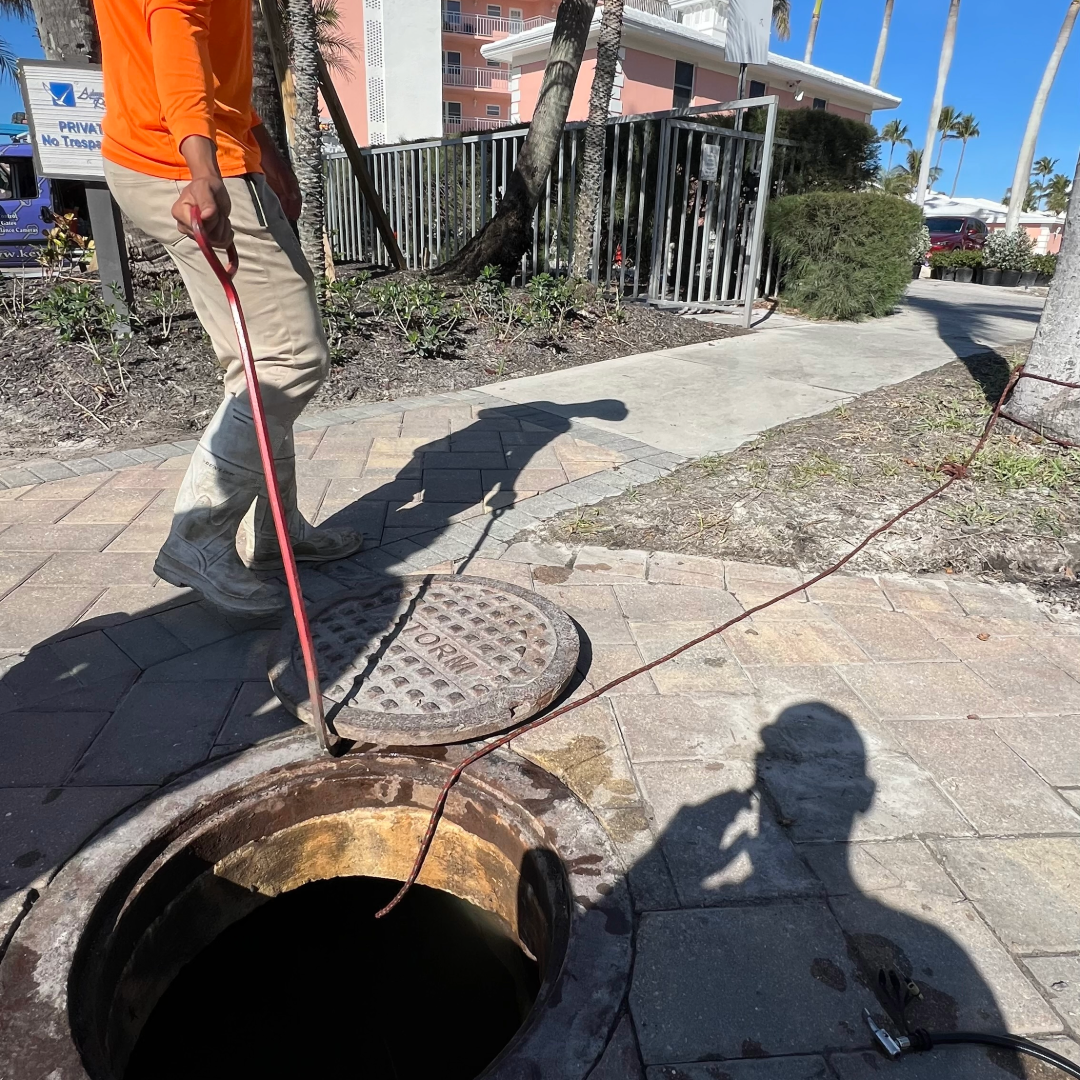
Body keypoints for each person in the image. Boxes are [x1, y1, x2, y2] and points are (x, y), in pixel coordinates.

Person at [92, 0, 362, 617]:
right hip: (183, 161)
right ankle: (199, 537)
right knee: (290, 356)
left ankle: (276, 533)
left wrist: (262, 145)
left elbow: (215, 64)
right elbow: (175, 32)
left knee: (257, 362)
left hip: (181, 153)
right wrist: (204, 166)